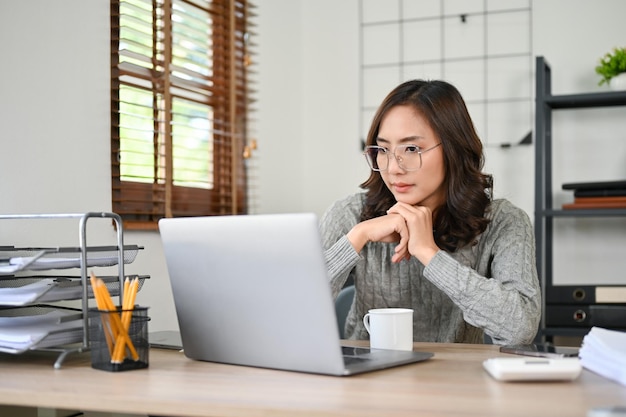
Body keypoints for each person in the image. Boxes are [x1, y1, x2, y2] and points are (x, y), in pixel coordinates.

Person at [320, 79, 541, 345]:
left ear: (453, 149)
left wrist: (429, 253)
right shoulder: (350, 214)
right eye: (383, 150)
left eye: (411, 149)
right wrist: (356, 237)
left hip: (455, 381)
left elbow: (521, 329)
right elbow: (294, 312)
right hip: (365, 380)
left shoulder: (504, 222)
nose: (393, 168)